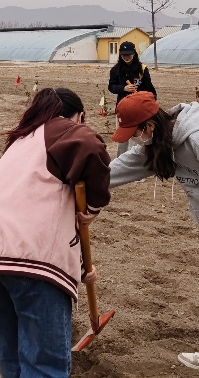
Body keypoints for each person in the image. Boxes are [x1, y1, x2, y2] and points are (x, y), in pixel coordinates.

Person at [0, 88, 110, 378]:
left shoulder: (23, 140)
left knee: (12, 353)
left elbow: (40, 212)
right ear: (78, 116)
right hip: (27, 251)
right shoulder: (62, 129)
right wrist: (95, 205)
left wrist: (82, 269)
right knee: (45, 364)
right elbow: (91, 145)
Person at [107, 91, 199, 369]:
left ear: (148, 126)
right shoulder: (161, 144)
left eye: (134, 133)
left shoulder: (194, 138)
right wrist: (77, 182)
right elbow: (115, 171)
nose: (134, 139)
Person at [108, 40, 157, 156]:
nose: (126, 57)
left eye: (129, 54)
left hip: (139, 110)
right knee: (123, 139)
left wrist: (142, 97)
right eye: (124, 55)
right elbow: (111, 87)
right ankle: (121, 159)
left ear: (134, 54)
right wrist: (123, 88)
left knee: (137, 138)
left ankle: (138, 159)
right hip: (123, 108)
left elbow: (150, 90)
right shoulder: (115, 70)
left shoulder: (142, 69)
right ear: (120, 55)